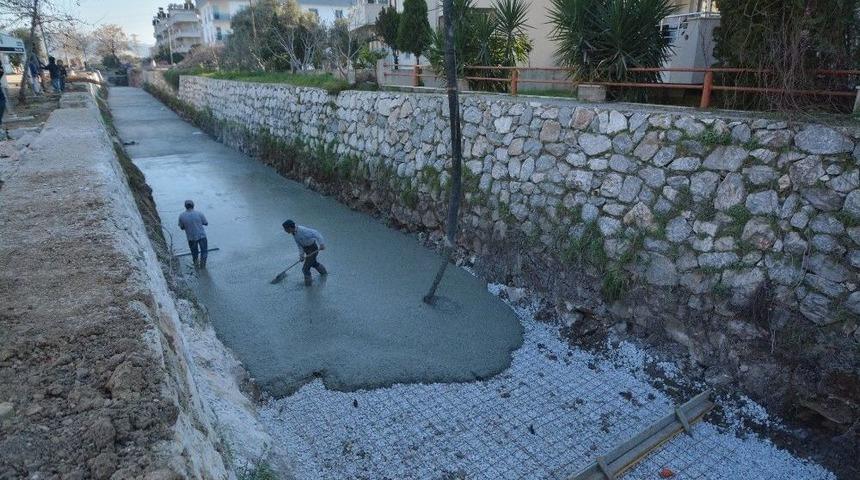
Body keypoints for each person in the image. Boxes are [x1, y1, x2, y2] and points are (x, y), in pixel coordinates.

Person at [282, 220, 327, 286]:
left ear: (290, 228)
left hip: (313, 248)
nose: (285, 231)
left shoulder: (303, 230)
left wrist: (321, 244)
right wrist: (301, 255)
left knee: (305, 269)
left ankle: (308, 286)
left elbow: (316, 233)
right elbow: (299, 245)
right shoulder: (294, 233)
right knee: (313, 263)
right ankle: (324, 274)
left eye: (285, 229)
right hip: (306, 249)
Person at [178, 200, 209, 268]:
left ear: (185, 207)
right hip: (202, 236)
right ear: (193, 205)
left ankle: (196, 266)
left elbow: (182, 227)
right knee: (204, 251)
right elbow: (206, 223)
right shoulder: (199, 213)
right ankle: (203, 267)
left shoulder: (181, 216)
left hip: (191, 238)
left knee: (194, 253)